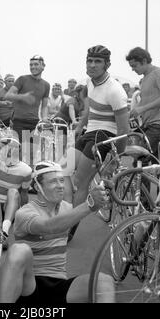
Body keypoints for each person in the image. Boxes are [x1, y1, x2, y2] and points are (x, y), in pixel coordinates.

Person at [0, 161, 115, 303]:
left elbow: (78, 206)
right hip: (30, 286)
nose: (60, 186)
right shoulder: (24, 213)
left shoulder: (67, 208)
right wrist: (90, 204)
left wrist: (103, 184)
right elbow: (49, 227)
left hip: (59, 285)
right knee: (19, 250)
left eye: (61, 180)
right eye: (53, 181)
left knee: (104, 282)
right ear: (37, 187)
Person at [68, 45, 129, 240]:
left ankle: (69, 228)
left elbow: (123, 131)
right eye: (89, 61)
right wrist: (79, 128)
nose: (92, 65)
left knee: (80, 181)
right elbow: (89, 110)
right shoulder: (90, 82)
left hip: (104, 136)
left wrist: (115, 157)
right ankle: (64, 215)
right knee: (62, 170)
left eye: (97, 62)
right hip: (89, 132)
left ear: (107, 65)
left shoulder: (115, 91)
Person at [126, 47, 160, 160]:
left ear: (144, 61)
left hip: (159, 124)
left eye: (134, 65)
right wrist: (132, 112)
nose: (133, 69)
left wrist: (143, 108)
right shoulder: (145, 78)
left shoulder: (159, 73)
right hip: (150, 124)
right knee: (157, 163)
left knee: (140, 158)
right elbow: (147, 99)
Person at [5, 55, 50, 165]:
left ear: (43, 66)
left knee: (31, 154)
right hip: (19, 121)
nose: (33, 67)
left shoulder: (46, 85)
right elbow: (8, 95)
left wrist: (44, 118)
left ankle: (27, 179)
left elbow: (44, 106)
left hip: (34, 122)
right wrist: (22, 97)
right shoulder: (22, 79)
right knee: (18, 153)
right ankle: (14, 178)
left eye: (36, 64)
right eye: (31, 65)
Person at [0, 132, 32, 249]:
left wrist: (25, 216)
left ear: (18, 150)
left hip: (9, 208)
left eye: (13, 147)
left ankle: (4, 230)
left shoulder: (26, 170)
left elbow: (24, 195)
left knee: (13, 192)